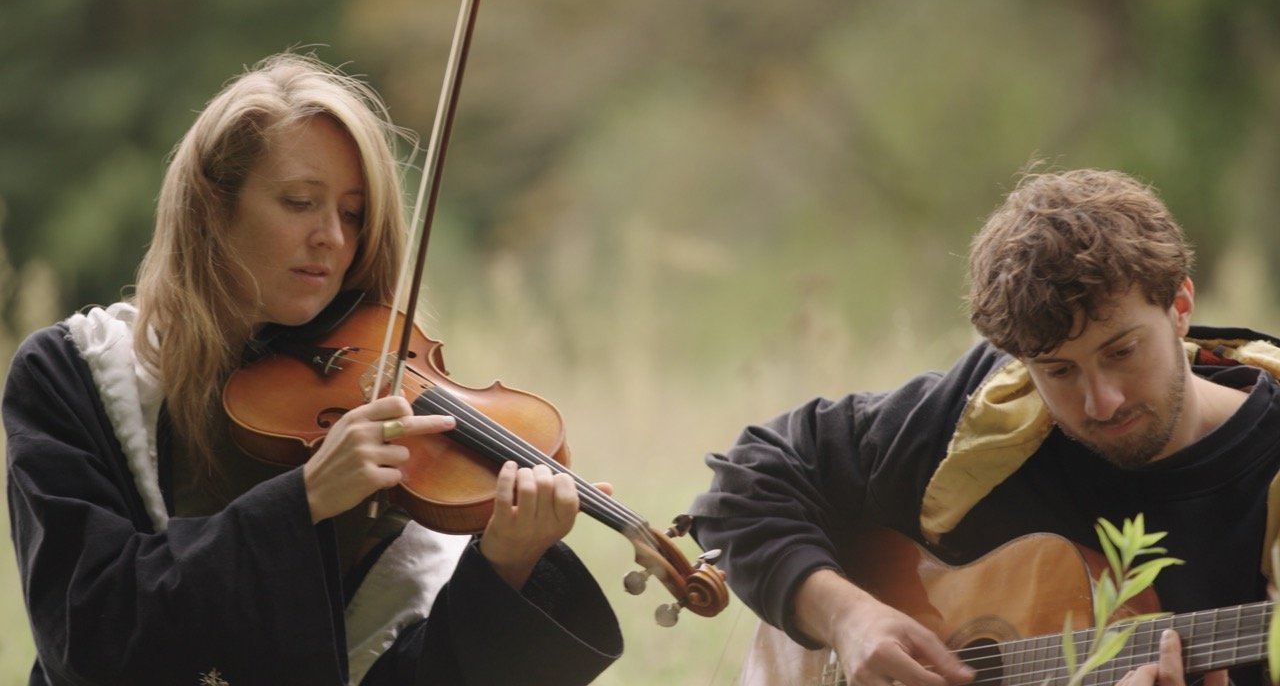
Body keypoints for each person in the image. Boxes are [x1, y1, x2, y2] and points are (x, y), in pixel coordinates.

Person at [4, 52, 622, 685]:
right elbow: (88, 639)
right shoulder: (72, 375)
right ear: (212, 210)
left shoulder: (389, 418)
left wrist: (503, 570)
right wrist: (301, 503)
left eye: (353, 214)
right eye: (300, 201)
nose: (331, 236)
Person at [688, 167, 1280, 686]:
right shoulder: (991, 419)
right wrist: (846, 617)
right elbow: (745, 483)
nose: (1101, 401)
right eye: (1059, 370)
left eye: (1122, 352)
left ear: (1179, 308)